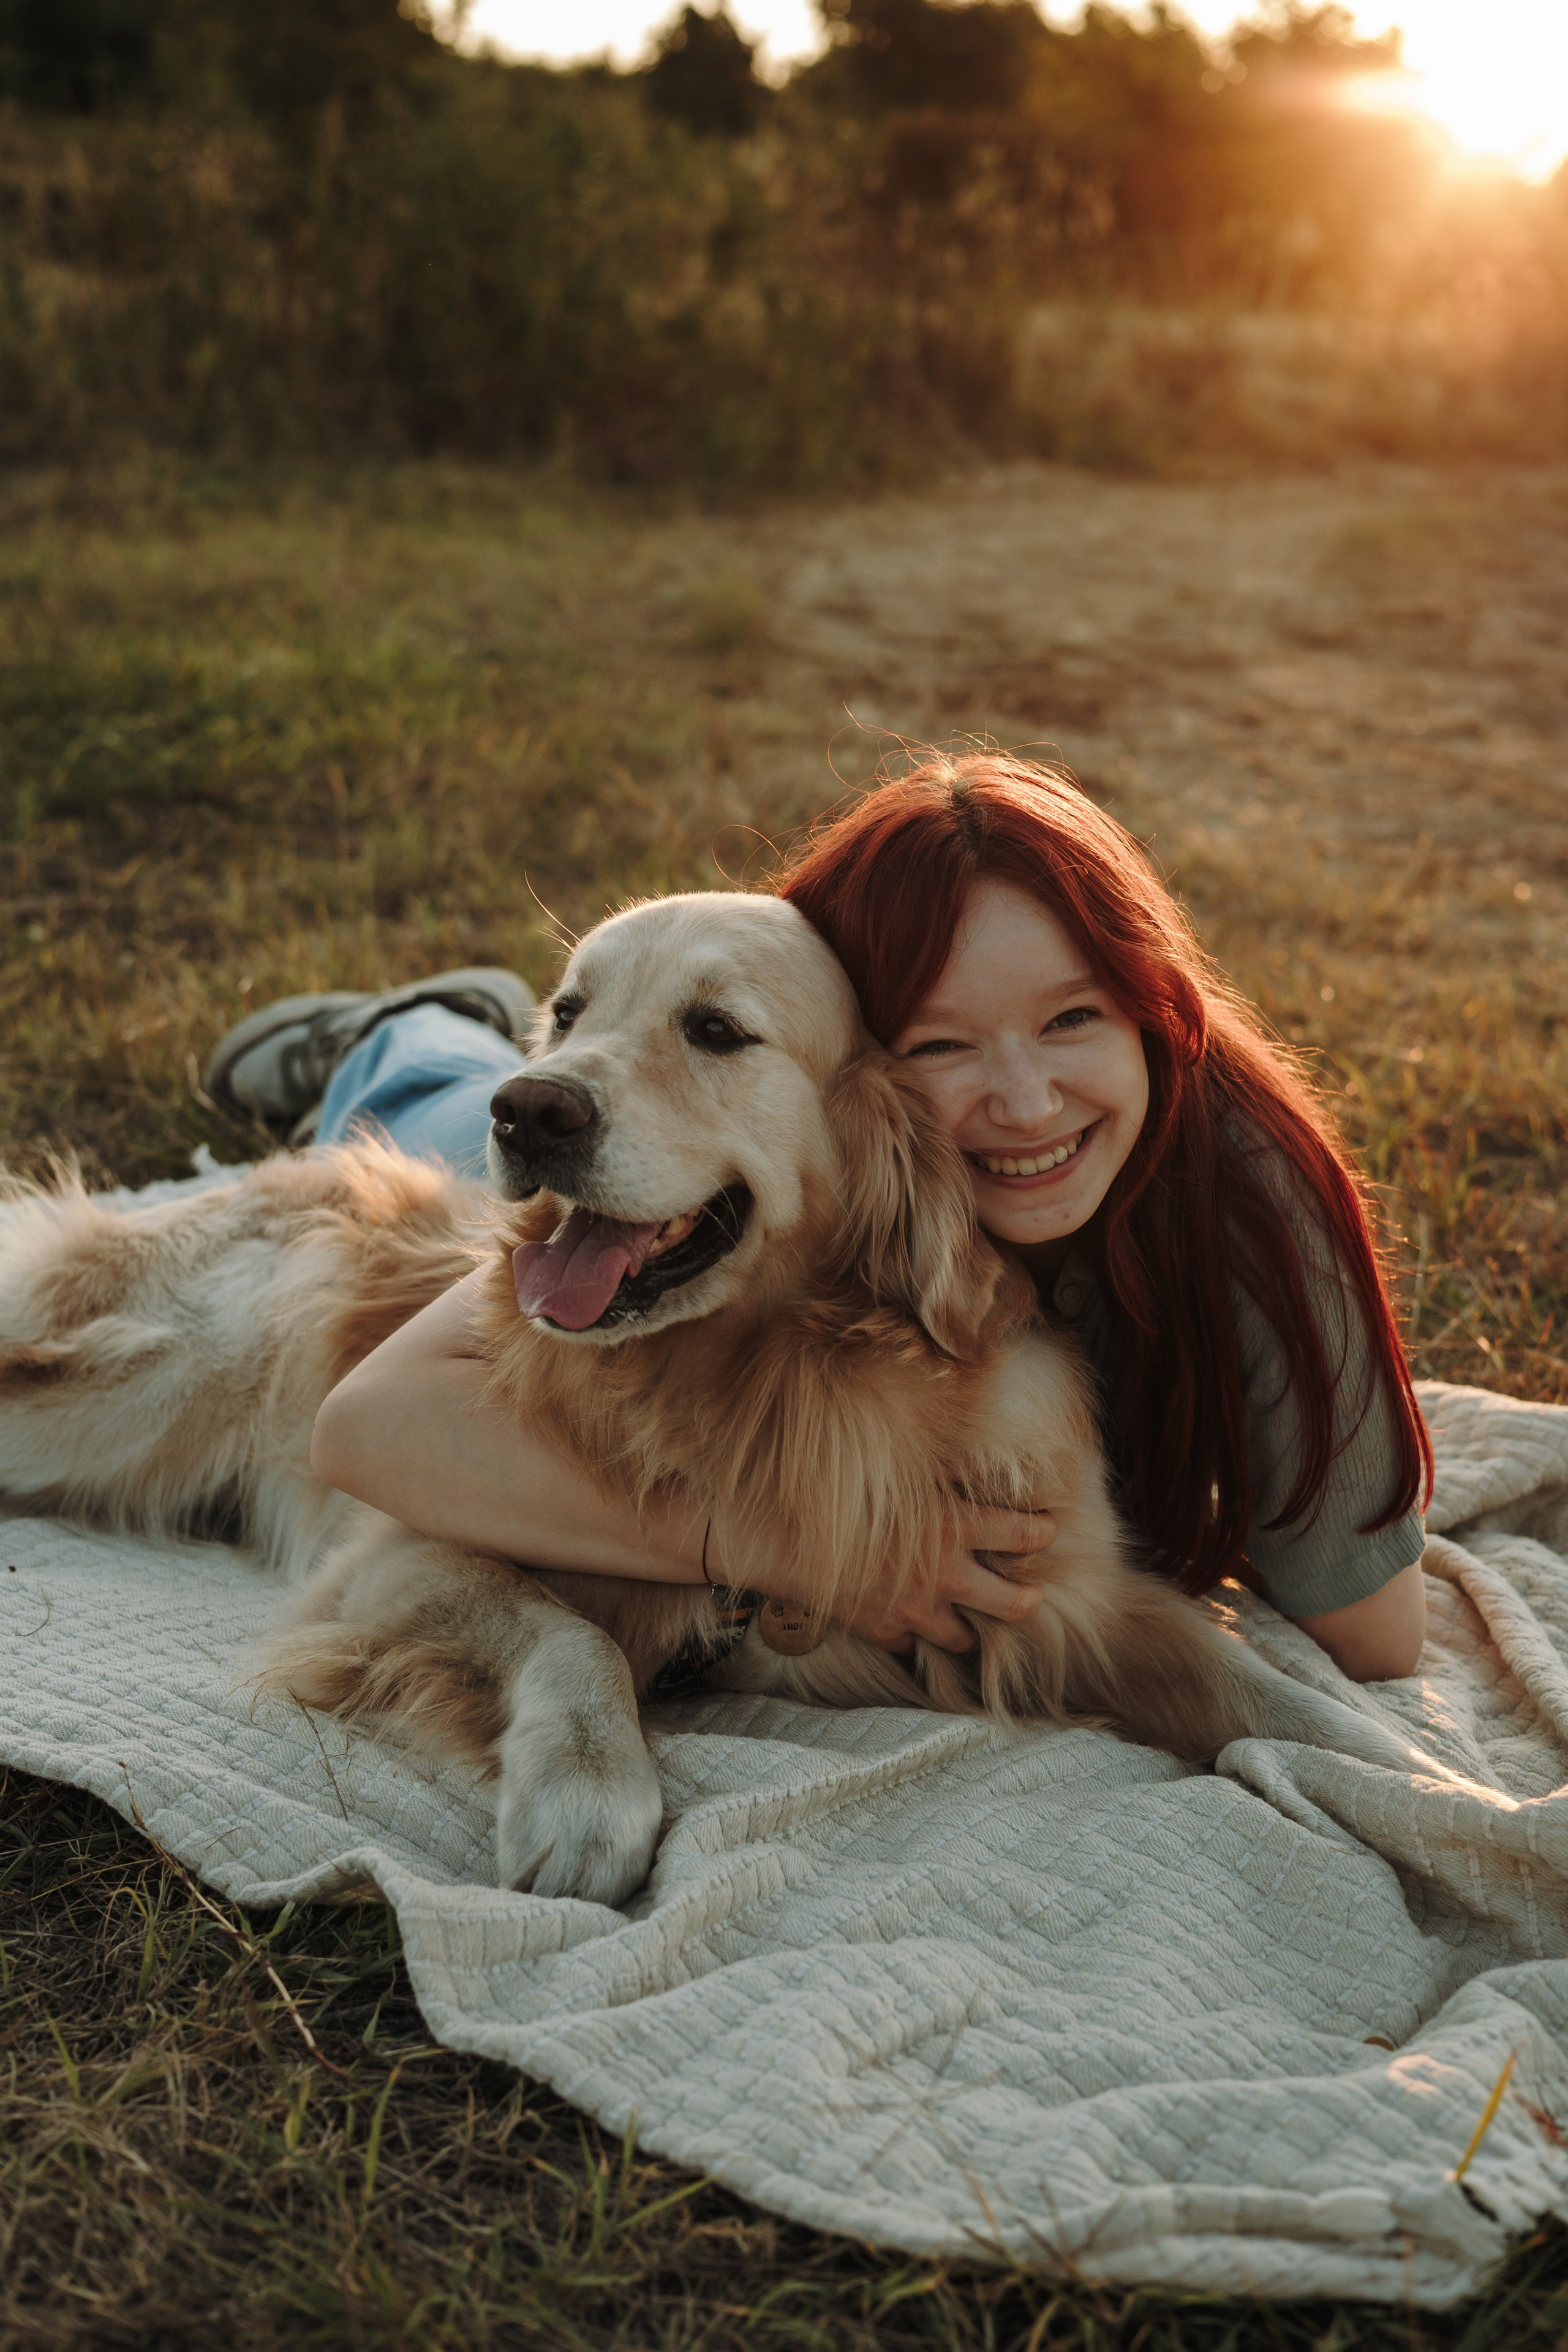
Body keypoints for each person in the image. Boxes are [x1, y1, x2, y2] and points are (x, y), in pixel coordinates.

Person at [205, 754, 1430, 1682]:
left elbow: (1376, 1635)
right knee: (454, 1115)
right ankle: (405, 1035)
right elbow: (370, 1426)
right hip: (602, 1163)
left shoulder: (1248, 1202)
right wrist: (787, 1553)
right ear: (867, 1080)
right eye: (941, 1043)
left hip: (666, 1161)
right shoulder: (783, 1139)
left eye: (1072, 1020)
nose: (1021, 1102)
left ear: (1154, 1016)